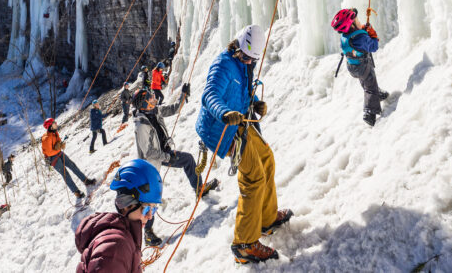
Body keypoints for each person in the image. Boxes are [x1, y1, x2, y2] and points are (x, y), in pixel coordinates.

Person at [195, 24, 291, 264]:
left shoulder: (244, 64)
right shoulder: (223, 64)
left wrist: (255, 103)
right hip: (221, 129)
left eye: (252, 59)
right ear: (237, 46)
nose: (249, 62)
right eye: (247, 57)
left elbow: (242, 92)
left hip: (237, 123)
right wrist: (225, 113)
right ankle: (244, 244)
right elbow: (210, 95)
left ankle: (267, 219)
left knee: (266, 158)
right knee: (253, 178)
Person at [132, 87, 220, 246]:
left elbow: (173, 109)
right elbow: (149, 152)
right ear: (144, 103)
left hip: (163, 154)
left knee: (187, 159)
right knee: (151, 198)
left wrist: (183, 95)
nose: (154, 99)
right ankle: (147, 233)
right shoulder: (140, 125)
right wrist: (167, 156)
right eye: (150, 98)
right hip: (150, 165)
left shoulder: (155, 111)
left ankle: (199, 188)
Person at [75, 158, 163, 272]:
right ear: (127, 205)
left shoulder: (123, 239)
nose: (150, 216)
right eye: (146, 209)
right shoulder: (115, 249)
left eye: (154, 209)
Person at [331, 8, 389, 126]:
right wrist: (371, 33)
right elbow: (374, 46)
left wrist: (363, 30)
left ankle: (377, 94)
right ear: (351, 26)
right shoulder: (360, 38)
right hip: (363, 66)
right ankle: (369, 113)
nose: (359, 22)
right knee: (370, 87)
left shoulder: (346, 36)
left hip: (352, 66)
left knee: (366, 83)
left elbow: (357, 40)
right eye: (356, 20)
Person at [42, 118, 96, 200]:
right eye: (54, 123)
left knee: (72, 165)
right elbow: (49, 152)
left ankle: (85, 180)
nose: (56, 124)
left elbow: (58, 142)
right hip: (53, 159)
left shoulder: (55, 133)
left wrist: (61, 144)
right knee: (65, 174)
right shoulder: (46, 138)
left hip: (59, 153)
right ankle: (76, 192)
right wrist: (58, 148)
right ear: (50, 126)